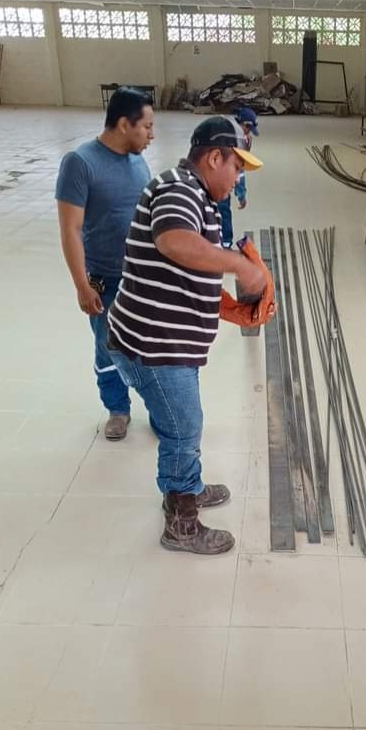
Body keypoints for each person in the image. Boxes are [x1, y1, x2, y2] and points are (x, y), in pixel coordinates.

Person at [106, 116, 268, 555]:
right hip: (154, 347)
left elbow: (187, 264)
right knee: (183, 428)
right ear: (214, 158)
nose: (238, 180)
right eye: (236, 168)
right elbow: (174, 242)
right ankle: (181, 523)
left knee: (183, 422)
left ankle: (188, 486)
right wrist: (239, 266)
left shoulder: (199, 195)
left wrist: (226, 303)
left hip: (167, 343)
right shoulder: (179, 189)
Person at [55, 87, 154, 441]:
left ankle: (159, 407)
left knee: (150, 346)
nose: (152, 135)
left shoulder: (138, 160)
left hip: (143, 276)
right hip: (105, 278)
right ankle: (117, 409)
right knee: (108, 345)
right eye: (147, 127)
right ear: (124, 124)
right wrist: (82, 285)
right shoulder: (80, 163)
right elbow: (70, 228)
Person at [216, 106, 259, 249]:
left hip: (225, 178)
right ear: (243, 124)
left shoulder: (244, 140)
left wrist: (241, 193)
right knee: (219, 211)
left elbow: (240, 169)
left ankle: (225, 243)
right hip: (219, 178)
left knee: (223, 210)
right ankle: (221, 243)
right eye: (248, 129)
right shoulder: (230, 137)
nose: (248, 133)